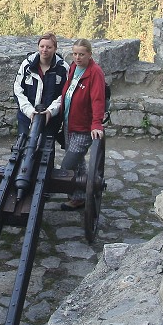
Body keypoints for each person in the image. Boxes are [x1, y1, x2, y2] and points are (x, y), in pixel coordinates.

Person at [59, 39, 107, 210]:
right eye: (75, 54)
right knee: (78, 162)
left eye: (81, 54)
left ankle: (77, 192)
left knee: (68, 165)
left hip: (83, 127)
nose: (77, 57)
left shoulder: (95, 72)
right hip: (69, 123)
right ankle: (79, 196)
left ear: (89, 54)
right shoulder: (73, 68)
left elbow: (98, 100)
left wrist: (96, 124)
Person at [13, 32, 69, 138]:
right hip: (27, 117)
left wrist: (50, 111)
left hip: (51, 119)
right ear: (38, 47)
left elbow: (65, 94)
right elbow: (18, 89)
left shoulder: (62, 68)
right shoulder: (27, 66)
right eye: (42, 46)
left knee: (46, 149)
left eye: (49, 47)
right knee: (22, 147)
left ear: (55, 49)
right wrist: (29, 111)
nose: (44, 50)